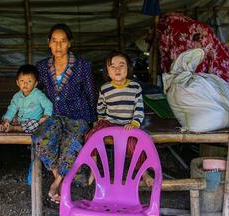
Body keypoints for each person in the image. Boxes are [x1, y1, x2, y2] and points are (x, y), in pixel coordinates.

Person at [33, 23, 97, 203]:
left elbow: (91, 94)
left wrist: (93, 121)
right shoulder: (42, 66)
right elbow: (36, 94)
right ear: (49, 43)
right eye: (55, 41)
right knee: (40, 139)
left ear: (69, 43)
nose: (58, 46)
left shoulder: (83, 65)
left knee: (74, 141)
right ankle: (59, 177)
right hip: (53, 116)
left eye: (63, 41)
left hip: (78, 115)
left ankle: (58, 183)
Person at [85, 50, 153, 186]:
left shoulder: (135, 87)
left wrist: (134, 123)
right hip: (109, 122)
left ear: (128, 68)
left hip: (128, 124)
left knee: (135, 144)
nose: (117, 69)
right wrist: (99, 122)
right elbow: (101, 108)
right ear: (107, 71)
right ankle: (93, 168)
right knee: (90, 135)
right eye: (112, 66)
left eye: (121, 65)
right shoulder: (105, 88)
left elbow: (139, 109)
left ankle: (145, 174)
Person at [0, 64, 53, 133]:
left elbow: (48, 105)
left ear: (35, 84)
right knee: (5, 117)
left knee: (35, 125)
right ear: (17, 82)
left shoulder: (38, 95)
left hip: (33, 122)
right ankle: (6, 126)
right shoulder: (17, 96)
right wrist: (6, 120)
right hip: (20, 121)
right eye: (22, 81)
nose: (25, 84)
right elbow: (12, 109)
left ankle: (14, 128)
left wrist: (45, 116)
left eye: (29, 81)